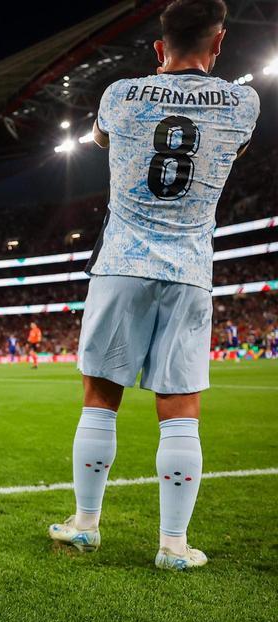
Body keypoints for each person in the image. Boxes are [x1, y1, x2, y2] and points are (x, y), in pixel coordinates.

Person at [49, 0, 259, 570]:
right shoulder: (244, 101)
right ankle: (172, 545)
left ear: (158, 48)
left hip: (121, 262)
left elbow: (102, 142)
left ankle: (86, 525)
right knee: (181, 408)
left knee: (100, 400)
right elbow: (232, 151)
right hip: (190, 269)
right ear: (219, 45)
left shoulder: (120, 94)